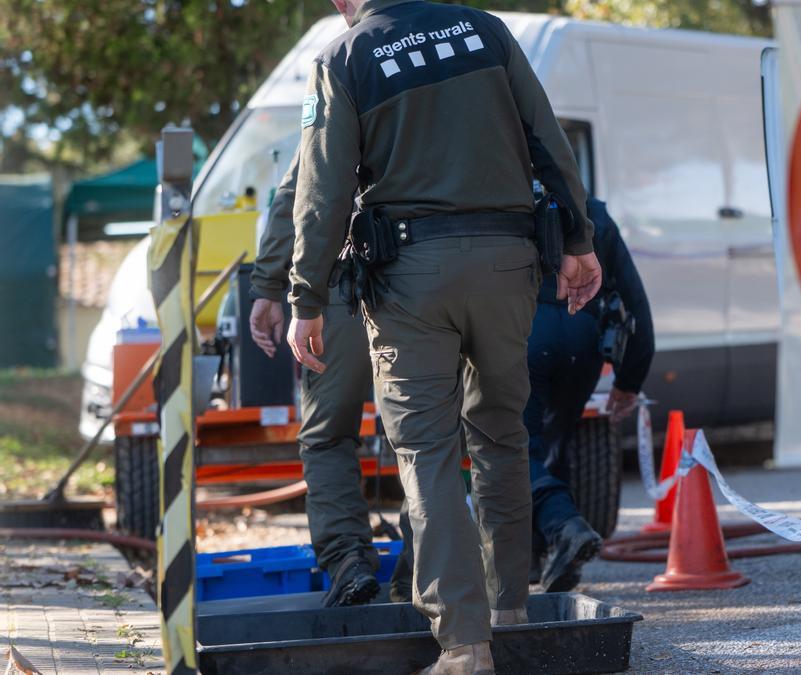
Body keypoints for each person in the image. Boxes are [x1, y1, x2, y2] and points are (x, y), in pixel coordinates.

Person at [285, 1, 602, 673]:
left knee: (427, 451)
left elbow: (322, 191)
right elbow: (546, 136)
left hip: (411, 280)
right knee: (500, 431)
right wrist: (577, 240)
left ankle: (464, 644)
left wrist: (306, 296)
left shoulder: (344, 60)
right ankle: (510, 607)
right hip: (509, 265)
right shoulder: (484, 29)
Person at [248, 153, 382, 607]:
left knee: (327, 436)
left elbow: (296, 196)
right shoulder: (456, 89)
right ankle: (425, 568)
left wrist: (268, 286)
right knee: (428, 436)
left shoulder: (341, 88)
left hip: (347, 291)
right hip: (431, 287)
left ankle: (349, 561)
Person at [526, 196, 655, 593]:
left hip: (522, 336)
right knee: (556, 447)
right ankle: (546, 558)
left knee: (512, 450)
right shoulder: (590, 210)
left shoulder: (499, 196)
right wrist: (628, 381)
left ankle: (564, 527)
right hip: (582, 341)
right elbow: (637, 304)